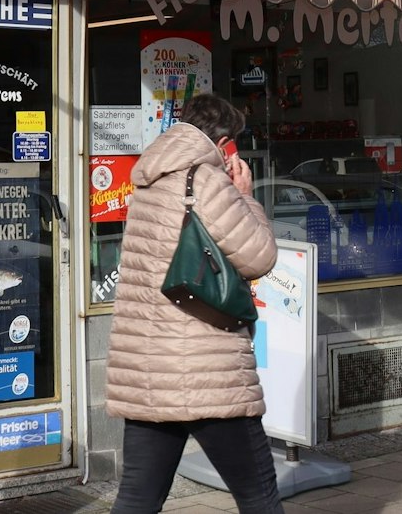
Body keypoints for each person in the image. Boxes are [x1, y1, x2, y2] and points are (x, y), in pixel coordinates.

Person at [107, 92, 281, 514]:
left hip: (148, 371)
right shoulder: (205, 180)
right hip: (208, 370)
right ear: (224, 144)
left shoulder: (147, 179)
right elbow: (260, 257)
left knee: (137, 499)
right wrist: (245, 196)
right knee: (258, 494)